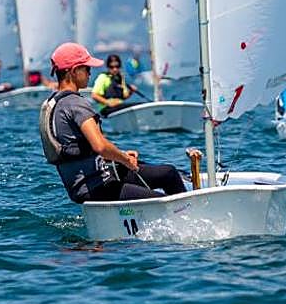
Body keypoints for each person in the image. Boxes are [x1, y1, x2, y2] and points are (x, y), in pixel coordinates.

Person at [39, 42, 188, 203]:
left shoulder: (53, 103)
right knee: (169, 183)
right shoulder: (75, 103)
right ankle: (189, 217)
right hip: (99, 185)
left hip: (81, 187)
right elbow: (100, 146)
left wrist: (120, 156)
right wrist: (125, 159)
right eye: (87, 68)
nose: (90, 73)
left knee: (165, 173)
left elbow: (84, 147)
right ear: (74, 71)